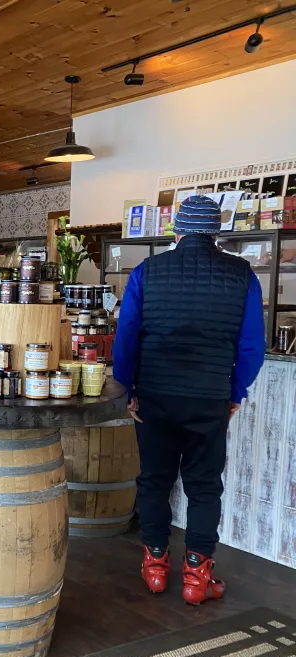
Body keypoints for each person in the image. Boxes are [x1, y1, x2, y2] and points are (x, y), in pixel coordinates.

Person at [113, 194, 265, 606]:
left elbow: (126, 338)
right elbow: (252, 347)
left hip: (156, 397)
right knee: (203, 487)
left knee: (154, 481)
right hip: (209, 397)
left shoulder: (148, 271)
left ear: (176, 231)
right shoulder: (242, 275)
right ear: (216, 232)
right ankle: (197, 577)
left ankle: (156, 567)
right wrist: (235, 393)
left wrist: (127, 391)